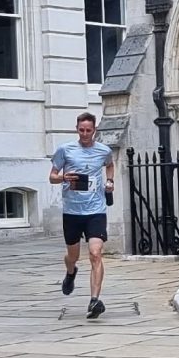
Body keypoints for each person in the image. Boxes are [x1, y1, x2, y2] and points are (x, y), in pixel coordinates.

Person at [50, 111, 116, 320]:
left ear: (94, 130)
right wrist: (62, 177)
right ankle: (71, 272)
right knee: (73, 256)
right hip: (72, 211)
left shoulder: (103, 151)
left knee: (96, 253)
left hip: (95, 210)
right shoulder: (65, 150)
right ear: (77, 129)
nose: (85, 134)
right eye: (81, 130)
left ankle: (94, 300)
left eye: (89, 130)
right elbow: (51, 177)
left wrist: (110, 181)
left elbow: (110, 165)